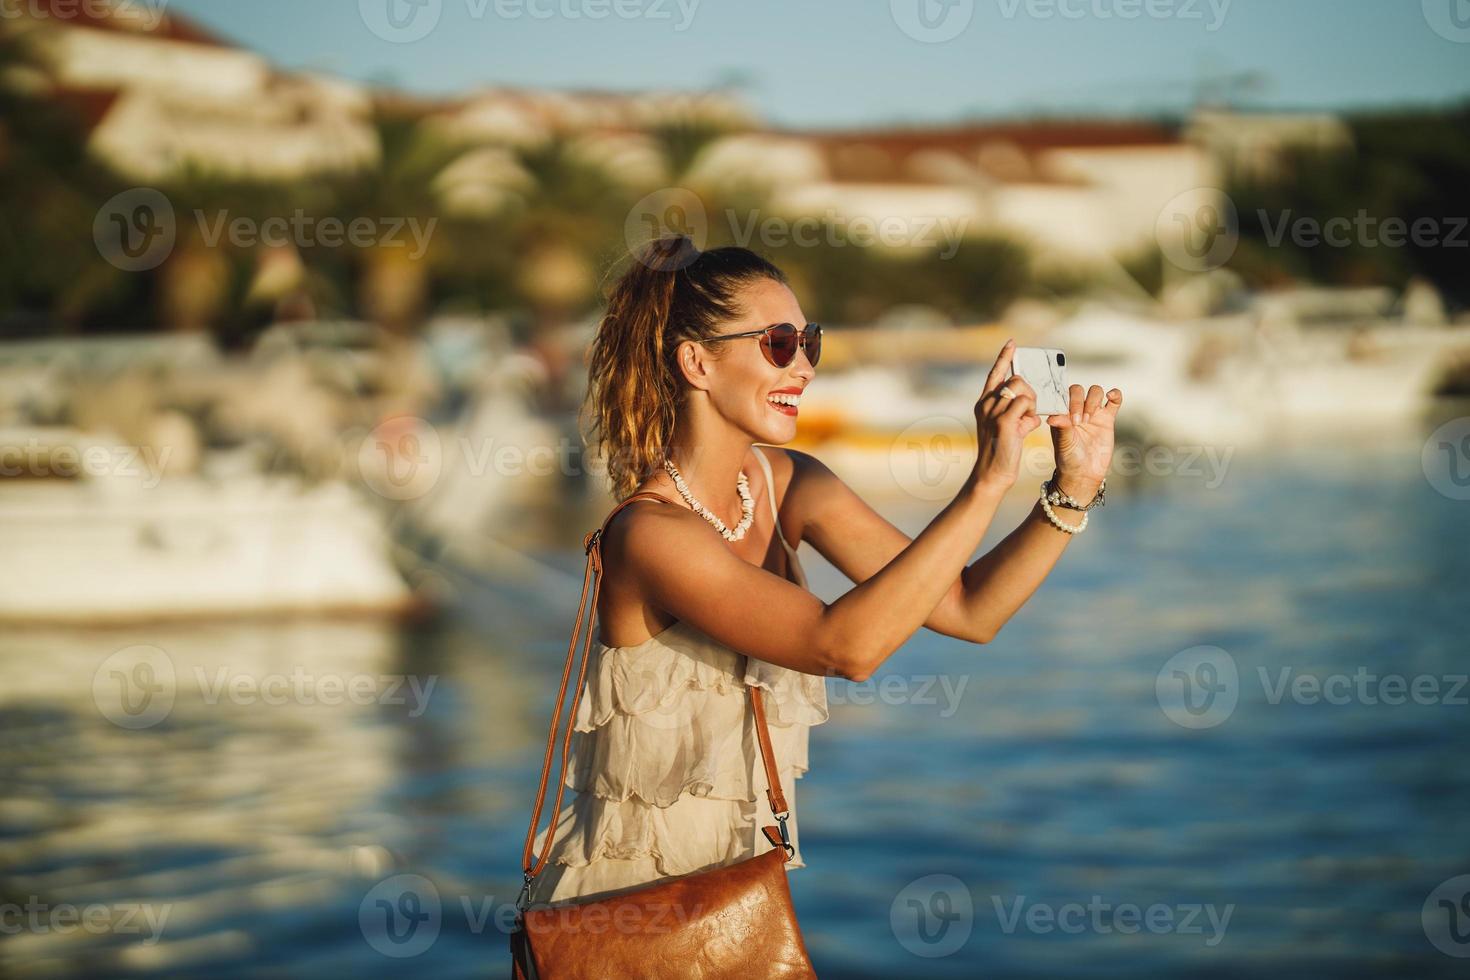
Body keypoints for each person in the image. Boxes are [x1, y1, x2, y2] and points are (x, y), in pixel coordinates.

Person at [526, 234, 1122, 906]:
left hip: (739, 907)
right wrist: (986, 481)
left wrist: (1070, 488)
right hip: (628, 917)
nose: (804, 366)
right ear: (697, 362)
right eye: (779, 343)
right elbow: (844, 648)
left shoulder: (793, 485)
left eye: (809, 342)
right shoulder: (650, 536)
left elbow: (967, 611)